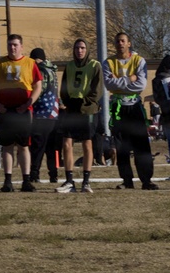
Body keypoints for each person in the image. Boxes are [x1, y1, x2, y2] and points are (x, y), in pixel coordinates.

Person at [0, 34, 43, 193]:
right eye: (10, 45)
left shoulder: (30, 63)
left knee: (24, 146)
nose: (12, 48)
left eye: (15, 45)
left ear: (21, 46)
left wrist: (29, 103)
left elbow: (38, 86)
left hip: (23, 111)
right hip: (5, 110)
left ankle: (26, 181)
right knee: (7, 146)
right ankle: (7, 181)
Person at [103, 32, 157, 190]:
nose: (120, 43)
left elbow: (140, 85)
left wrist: (118, 80)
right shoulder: (108, 62)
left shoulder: (139, 61)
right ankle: (127, 180)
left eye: (123, 41)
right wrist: (129, 78)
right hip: (119, 108)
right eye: (117, 41)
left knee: (141, 145)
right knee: (121, 146)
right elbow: (109, 85)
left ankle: (146, 180)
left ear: (129, 43)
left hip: (134, 107)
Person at [57, 38, 102, 194]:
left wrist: (85, 103)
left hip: (87, 110)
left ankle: (86, 181)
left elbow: (97, 90)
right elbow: (63, 87)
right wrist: (67, 102)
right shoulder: (69, 66)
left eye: (82, 48)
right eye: (77, 48)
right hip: (71, 109)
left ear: (87, 49)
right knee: (66, 143)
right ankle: (69, 181)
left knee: (87, 144)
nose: (80, 51)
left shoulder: (95, 66)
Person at [28, 48, 60, 184]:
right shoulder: (52, 70)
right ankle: (54, 174)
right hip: (54, 113)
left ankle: (34, 174)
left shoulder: (40, 70)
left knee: (37, 147)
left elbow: (39, 90)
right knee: (51, 148)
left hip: (41, 113)